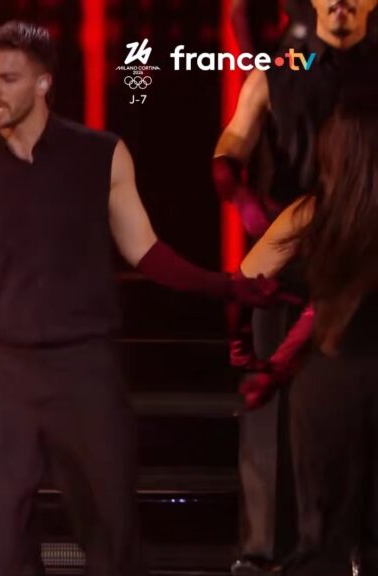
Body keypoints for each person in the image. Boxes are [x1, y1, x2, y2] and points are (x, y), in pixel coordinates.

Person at [0, 21, 283, 576]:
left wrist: (225, 284)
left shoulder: (101, 155)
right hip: (5, 372)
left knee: (111, 531)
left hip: (86, 368)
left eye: (8, 78)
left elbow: (146, 252)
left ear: (43, 83)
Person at [213, 1, 377, 571]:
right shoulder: (284, 67)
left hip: (365, 260)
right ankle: (265, 551)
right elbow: (234, 139)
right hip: (293, 252)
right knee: (273, 405)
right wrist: (237, 190)